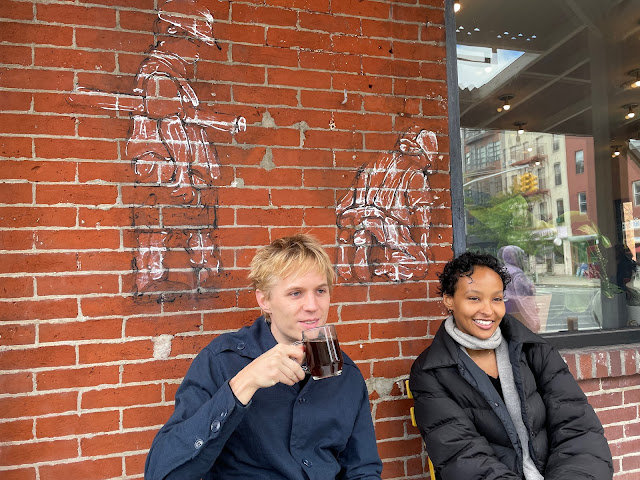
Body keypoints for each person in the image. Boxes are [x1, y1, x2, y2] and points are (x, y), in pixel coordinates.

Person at [145, 234, 383, 479]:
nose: (313, 306)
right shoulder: (221, 361)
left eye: (320, 291)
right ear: (265, 300)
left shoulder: (346, 374)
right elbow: (161, 472)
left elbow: (362, 470)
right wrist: (243, 384)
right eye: (296, 293)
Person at [409, 252, 613, 480]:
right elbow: (462, 457)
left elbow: (579, 429)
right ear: (449, 300)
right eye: (474, 298)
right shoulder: (431, 373)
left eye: (497, 299)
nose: (488, 310)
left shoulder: (534, 350)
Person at [336, 126, 438, 283]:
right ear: (424, 155)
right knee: (421, 265)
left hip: (356, 215)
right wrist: (424, 246)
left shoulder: (377, 161)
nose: (427, 168)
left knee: (377, 239)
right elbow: (422, 212)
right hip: (388, 226)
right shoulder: (416, 173)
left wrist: (350, 215)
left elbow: (349, 198)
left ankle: (356, 237)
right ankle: (388, 266)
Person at [497, 245, 541, 332]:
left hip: (505, 310)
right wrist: (534, 320)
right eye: (522, 256)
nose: (524, 260)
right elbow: (524, 299)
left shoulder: (502, 271)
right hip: (517, 311)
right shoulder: (517, 274)